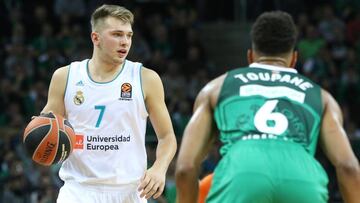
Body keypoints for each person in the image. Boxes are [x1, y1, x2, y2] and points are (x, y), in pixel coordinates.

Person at [175, 11, 360, 203]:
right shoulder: (323, 97)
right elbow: (348, 167)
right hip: (303, 181)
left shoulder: (215, 89)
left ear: (250, 57)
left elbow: (185, 167)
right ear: (294, 59)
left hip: (241, 176)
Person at [39, 4, 177, 203]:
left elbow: (167, 137)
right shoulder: (65, 77)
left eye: (129, 36)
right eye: (117, 34)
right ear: (96, 38)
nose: (125, 42)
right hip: (79, 190)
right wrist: (40, 138)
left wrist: (159, 168)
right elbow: (47, 129)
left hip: (130, 191)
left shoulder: (146, 78)